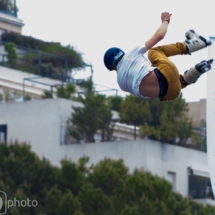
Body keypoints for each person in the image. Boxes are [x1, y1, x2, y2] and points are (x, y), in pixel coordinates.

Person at [103, 12, 213, 101]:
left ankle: (195, 72)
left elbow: (148, 96)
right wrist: (165, 21)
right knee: (153, 52)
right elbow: (160, 35)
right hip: (167, 71)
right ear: (122, 53)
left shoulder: (121, 84)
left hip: (172, 93)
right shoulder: (131, 53)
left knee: (173, 84)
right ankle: (195, 43)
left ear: (112, 68)